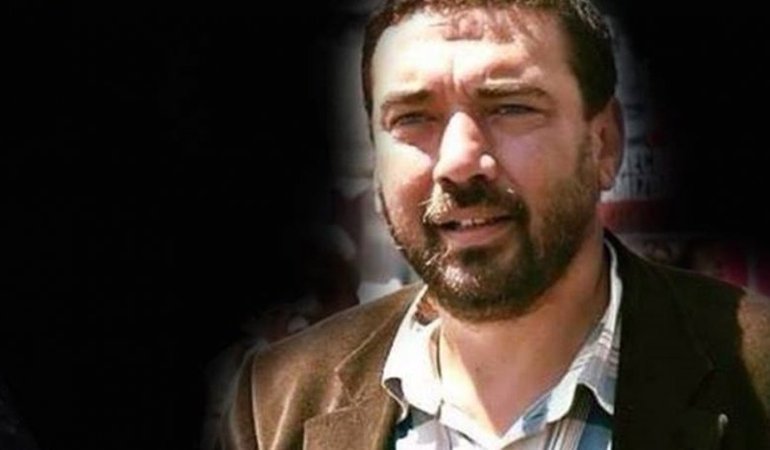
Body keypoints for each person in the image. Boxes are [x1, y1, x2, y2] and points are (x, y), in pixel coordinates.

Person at [218, 0, 770, 448]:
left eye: (510, 107)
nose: (459, 162)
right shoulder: (278, 403)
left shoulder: (757, 378)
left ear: (603, 142)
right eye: (412, 117)